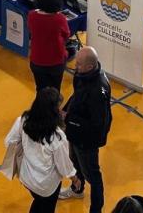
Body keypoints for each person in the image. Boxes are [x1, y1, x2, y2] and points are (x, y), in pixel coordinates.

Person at [4, 87, 77, 213]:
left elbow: (9, 141)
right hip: (46, 185)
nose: (61, 110)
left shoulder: (24, 120)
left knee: (38, 201)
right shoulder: (57, 137)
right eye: (58, 108)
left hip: (26, 177)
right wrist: (75, 179)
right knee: (46, 207)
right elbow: (64, 166)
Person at [59, 46, 112, 213]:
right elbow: (76, 96)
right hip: (75, 132)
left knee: (93, 175)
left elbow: (97, 124)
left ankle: (96, 209)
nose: (75, 66)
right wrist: (66, 109)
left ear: (90, 66)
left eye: (79, 64)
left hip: (88, 139)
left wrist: (69, 118)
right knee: (74, 162)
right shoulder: (82, 74)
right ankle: (77, 190)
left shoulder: (98, 90)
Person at [27, 0, 71, 92]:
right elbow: (66, 35)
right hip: (56, 61)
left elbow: (30, 30)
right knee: (55, 91)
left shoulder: (32, 15)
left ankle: (41, 107)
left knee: (40, 89)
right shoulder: (60, 19)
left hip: (37, 60)